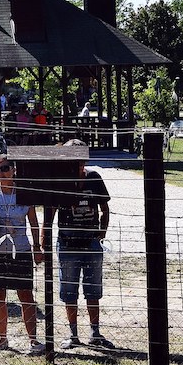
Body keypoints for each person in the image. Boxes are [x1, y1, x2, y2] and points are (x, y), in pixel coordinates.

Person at [0, 154, 45, 353]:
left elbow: (34, 223)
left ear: (13, 169)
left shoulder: (24, 191)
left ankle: (33, 340)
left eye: (4, 168)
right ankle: (2, 339)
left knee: (25, 295)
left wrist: (37, 247)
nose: (0, 173)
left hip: (20, 250)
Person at [44, 139, 114, 349]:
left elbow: (105, 208)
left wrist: (101, 233)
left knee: (93, 289)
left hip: (92, 243)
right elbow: (50, 213)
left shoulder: (94, 178)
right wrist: (43, 240)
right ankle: (73, 334)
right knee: (69, 290)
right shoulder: (60, 181)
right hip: (67, 244)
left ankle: (95, 332)